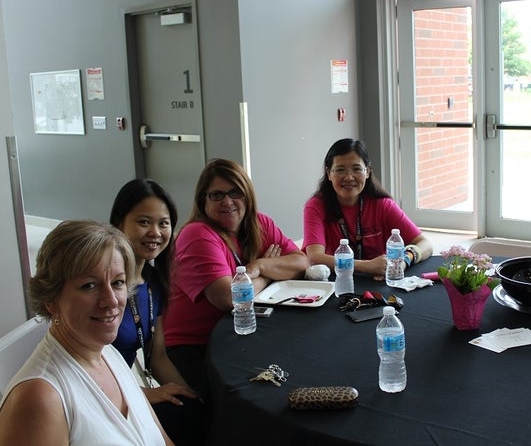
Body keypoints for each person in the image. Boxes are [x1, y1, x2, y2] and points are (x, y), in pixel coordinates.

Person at [0, 220, 174, 445]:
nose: (111, 301)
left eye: (117, 283)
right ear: (51, 299)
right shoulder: (40, 400)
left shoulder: (107, 353)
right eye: (89, 285)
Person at [163, 158, 308, 397]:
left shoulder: (260, 223)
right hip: (197, 346)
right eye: (216, 195)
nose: (227, 202)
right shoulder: (197, 234)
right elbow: (229, 298)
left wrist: (260, 265)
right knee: (259, 396)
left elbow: (301, 262)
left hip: (240, 333)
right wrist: (272, 276)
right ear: (203, 200)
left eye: (235, 192)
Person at [109, 179, 206, 445]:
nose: (155, 232)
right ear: (119, 224)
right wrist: (141, 394)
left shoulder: (153, 281)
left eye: (163, 223)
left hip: (127, 391)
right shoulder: (106, 289)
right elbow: (84, 371)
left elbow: (158, 356)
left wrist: (187, 395)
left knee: (200, 411)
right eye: (143, 222)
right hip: (103, 398)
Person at [303, 138, 433, 279]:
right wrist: (366, 266)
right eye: (340, 170)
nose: (349, 177)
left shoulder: (383, 205)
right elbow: (315, 258)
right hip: (333, 282)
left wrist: (404, 260)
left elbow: (425, 244)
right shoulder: (315, 206)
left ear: (368, 171)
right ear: (329, 173)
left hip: (376, 283)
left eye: (356, 169)